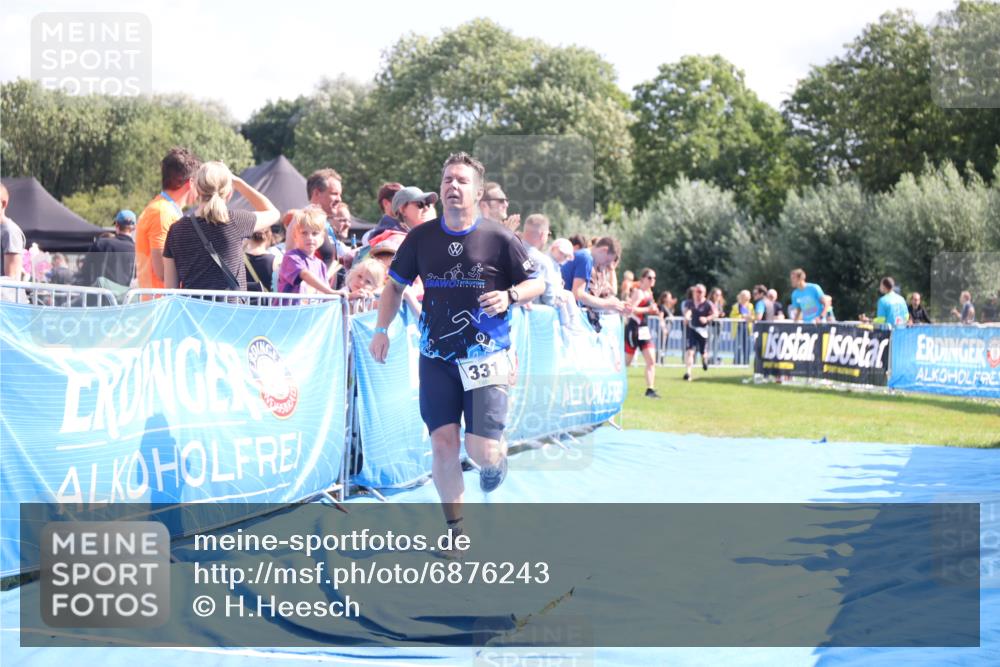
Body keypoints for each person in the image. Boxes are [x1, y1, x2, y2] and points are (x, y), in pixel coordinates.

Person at [369, 152, 543, 543]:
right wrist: (381, 330)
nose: (452, 185)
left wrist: (510, 295)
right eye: (448, 179)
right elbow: (394, 286)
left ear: (478, 192)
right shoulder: (420, 238)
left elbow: (537, 282)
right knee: (443, 443)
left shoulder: (499, 237)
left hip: (485, 357)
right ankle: (455, 530)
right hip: (436, 358)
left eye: (462, 180)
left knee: (480, 452)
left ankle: (494, 460)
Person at [162, 162, 279, 298]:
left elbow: (170, 290)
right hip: (230, 310)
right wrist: (239, 183)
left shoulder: (176, 230)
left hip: (192, 310)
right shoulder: (236, 221)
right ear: (229, 192)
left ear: (197, 189)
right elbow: (274, 213)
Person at [136, 148, 201, 291]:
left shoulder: (163, 208)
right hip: (160, 301)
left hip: (160, 299)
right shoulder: (162, 213)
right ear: (191, 182)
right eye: (199, 182)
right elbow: (162, 272)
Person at [277, 207, 340, 296]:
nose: (310, 238)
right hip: (291, 305)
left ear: (322, 238)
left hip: (312, 305)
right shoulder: (291, 258)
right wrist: (331, 291)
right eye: (304, 233)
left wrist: (349, 296)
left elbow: (323, 294)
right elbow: (305, 274)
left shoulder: (321, 265)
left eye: (315, 233)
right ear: (295, 236)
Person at [562, 237, 628, 314]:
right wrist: (607, 304)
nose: (604, 265)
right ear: (604, 250)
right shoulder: (586, 258)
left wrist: (616, 305)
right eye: (607, 261)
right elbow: (577, 294)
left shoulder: (586, 257)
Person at [306, 168, 354, 271]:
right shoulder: (304, 222)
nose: (339, 199)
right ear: (316, 193)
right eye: (334, 193)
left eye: (340, 194)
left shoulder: (326, 224)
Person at [76, 210, 137, 288]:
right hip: (124, 295)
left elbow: (85, 270)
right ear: (134, 228)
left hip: (99, 294)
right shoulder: (137, 249)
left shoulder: (101, 243)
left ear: (117, 225)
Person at [625, 268, 660, 397]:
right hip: (634, 328)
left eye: (654, 278)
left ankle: (650, 389)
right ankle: (612, 379)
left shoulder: (649, 293)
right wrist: (648, 309)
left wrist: (655, 311)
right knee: (626, 362)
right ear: (643, 279)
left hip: (644, 329)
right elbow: (631, 309)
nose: (652, 280)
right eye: (649, 278)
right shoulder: (638, 292)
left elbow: (650, 309)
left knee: (651, 360)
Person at [520, 214, 562, 306]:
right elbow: (549, 299)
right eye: (548, 234)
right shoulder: (543, 261)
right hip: (535, 312)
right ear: (543, 234)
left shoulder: (509, 251)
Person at [683, 284, 715, 381]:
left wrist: (706, 318)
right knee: (690, 351)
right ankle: (688, 373)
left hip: (703, 331)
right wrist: (686, 317)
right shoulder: (690, 302)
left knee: (703, 352)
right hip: (692, 329)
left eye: (700, 292)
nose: (697, 294)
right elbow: (688, 311)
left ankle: (704, 360)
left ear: (704, 293)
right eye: (696, 291)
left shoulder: (708, 304)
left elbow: (715, 314)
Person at [244, 226, 280, 293]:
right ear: (269, 236)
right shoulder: (275, 260)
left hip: (242, 299)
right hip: (266, 299)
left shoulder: (240, 258)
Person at [729, 289, 754, 364]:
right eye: (743, 296)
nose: (745, 298)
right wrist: (742, 317)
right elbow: (732, 316)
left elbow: (753, 316)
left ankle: (746, 362)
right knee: (737, 345)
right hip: (738, 328)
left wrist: (749, 317)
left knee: (747, 345)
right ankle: (736, 361)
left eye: (747, 296)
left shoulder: (750, 306)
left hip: (747, 328)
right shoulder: (735, 306)